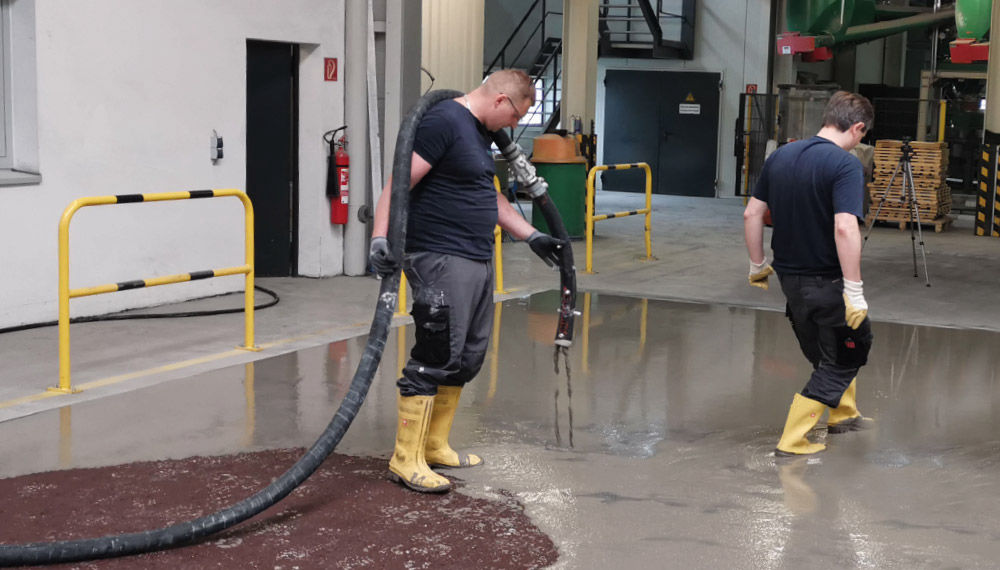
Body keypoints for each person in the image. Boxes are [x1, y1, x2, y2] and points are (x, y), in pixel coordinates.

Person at [368, 69, 566, 492]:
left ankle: (435, 445)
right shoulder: (443, 121)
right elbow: (399, 182)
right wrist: (380, 236)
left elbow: (484, 194)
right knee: (437, 351)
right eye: (515, 116)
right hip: (440, 256)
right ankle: (406, 458)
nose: (513, 127)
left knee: (467, 356)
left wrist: (529, 234)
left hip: (475, 257)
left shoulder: (477, 133)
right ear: (499, 101)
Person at [743, 90, 876, 457]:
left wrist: (757, 265)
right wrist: (854, 289)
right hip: (827, 282)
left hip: (790, 280)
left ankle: (842, 416)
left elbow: (752, 214)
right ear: (858, 128)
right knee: (850, 353)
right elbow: (846, 228)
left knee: (826, 350)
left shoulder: (781, 156)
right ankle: (794, 439)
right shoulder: (845, 165)